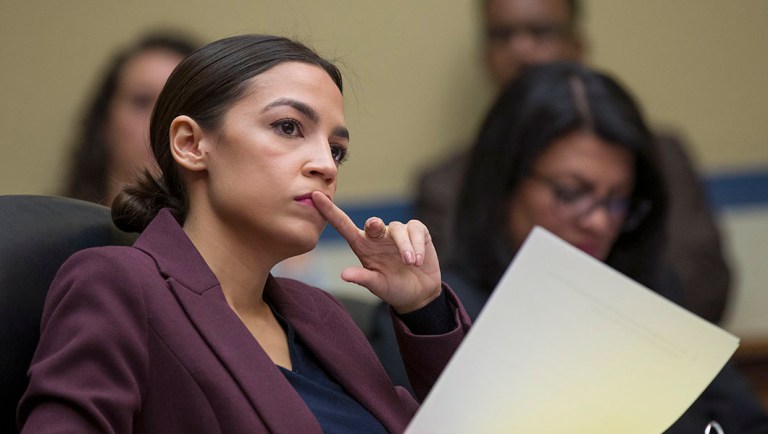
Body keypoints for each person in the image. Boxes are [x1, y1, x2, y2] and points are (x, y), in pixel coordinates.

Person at [18, 34, 471, 433]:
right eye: (288, 127)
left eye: (337, 150)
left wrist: (422, 308)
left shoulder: (320, 314)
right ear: (191, 145)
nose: (326, 166)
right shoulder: (119, 284)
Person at [371, 62, 768, 433]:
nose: (599, 221)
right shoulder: (429, 316)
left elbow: (743, 420)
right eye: (572, 193)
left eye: (618, 199)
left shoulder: (650, 285)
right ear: (505, 184)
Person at [414, 0, 731, 324]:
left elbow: (702, 284)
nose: (521, 49)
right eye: (570, 192)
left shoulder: (656, 276)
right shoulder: (447, 195)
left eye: (541, 31)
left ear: (576, 44)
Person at [63, 31, 199, 205]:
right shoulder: (47, 227)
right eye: (142, 101)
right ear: (104, 122)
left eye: (179, 105)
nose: (160, 122)